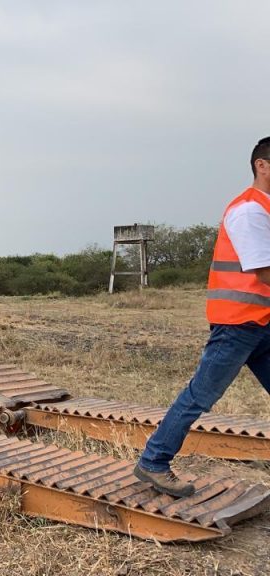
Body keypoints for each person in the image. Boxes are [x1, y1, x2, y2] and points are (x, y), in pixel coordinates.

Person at [135, 137, 270, 497]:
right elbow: (263, 271)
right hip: (237, 324)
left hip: (261, 322)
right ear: (262, 165)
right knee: (200, 396)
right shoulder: (249, 211)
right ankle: (153, 461)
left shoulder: (266, 209)